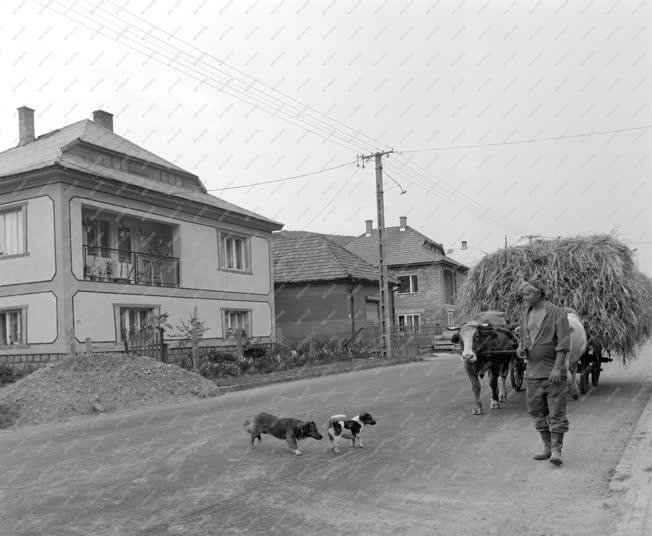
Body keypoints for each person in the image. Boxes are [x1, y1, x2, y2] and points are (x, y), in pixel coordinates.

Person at [517, 279, 571, 466]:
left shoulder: (558, 313)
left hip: (553, 373)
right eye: (523, 294)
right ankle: (547, 447)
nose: (524, 298)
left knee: (556, 411)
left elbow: (564, 343)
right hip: (532, 373)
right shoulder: (525, 314)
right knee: (536, 410)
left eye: (527, 294)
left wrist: (558, 367)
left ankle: (557, 450)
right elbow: (523, 339)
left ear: (539, 293)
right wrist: (521, 349)